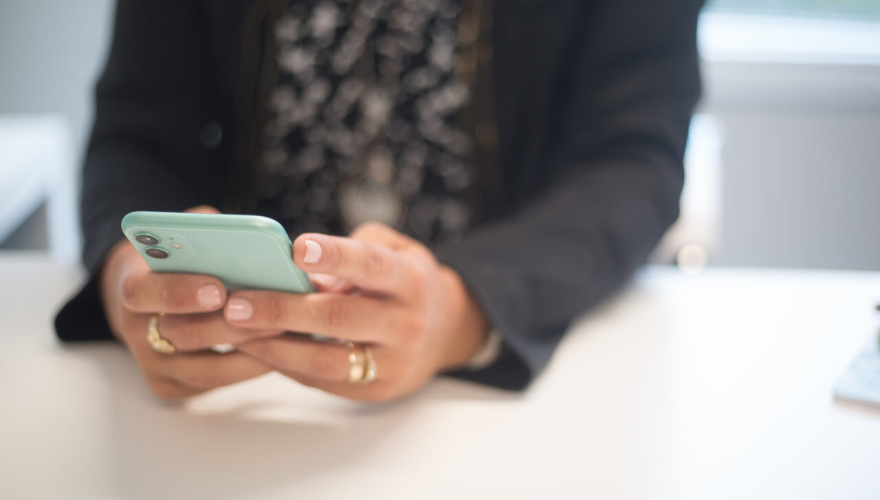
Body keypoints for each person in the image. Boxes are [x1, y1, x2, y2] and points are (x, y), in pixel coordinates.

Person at [55, 0, 704, 401]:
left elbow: (631, 162)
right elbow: (135, 142)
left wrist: (464, 306)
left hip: (497, 393)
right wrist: (132, 276)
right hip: (235, 389)